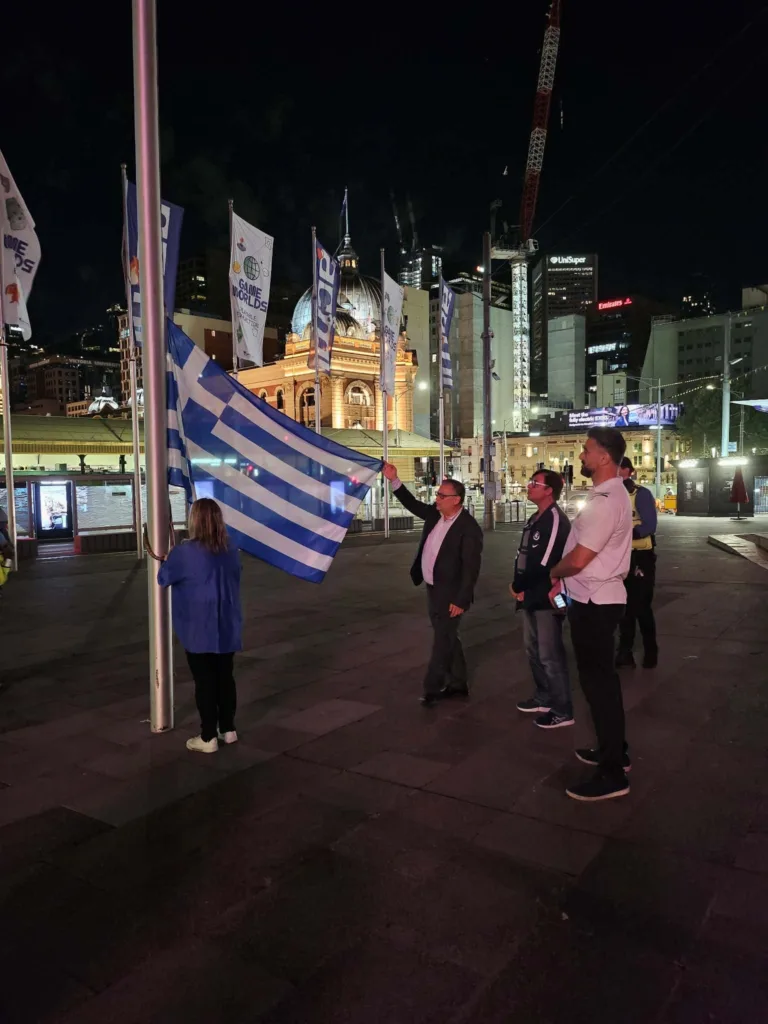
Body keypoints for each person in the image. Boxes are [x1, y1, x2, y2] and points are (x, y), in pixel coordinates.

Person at [548, 427, 633, 802]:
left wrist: (552, 573)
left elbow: (580, 558)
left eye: (586, 450)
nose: (581, 456)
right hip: (595, 598)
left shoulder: (604, 501)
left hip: (596, 603)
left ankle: (613, 772)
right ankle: (615, 752)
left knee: (599, 687)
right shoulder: (609, 496)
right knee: (602, 685)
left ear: (604, 457)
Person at [382, 462, 483, 706]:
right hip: (432, 587)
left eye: (441, 495)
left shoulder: (468, 528)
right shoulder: (436, 515)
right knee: (447, 636)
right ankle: (458, 682)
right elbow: (412, 504)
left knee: (442, 639)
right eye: (437, 494)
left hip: (450, 592)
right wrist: (394, 480)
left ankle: (432, 686)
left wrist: (461, 600)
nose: (436, 498)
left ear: (456, 500)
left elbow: (471, 568)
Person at [158, 497, 242, 753]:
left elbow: (164, 578)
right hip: (226, 623)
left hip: (198, 626)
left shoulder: (185, 552)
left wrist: (170, 557)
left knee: (204, 681)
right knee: (225, 677)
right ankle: (228, 729)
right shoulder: (230, 548)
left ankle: (208, 736)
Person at [511, 469, 573, 729]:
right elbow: (523, 556)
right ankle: (544, 696)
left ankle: (562, 709)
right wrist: (518, 584)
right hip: (529, 593)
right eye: (531, 482)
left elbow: (546, 562)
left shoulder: (555, 519)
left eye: (535, 483)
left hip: (548, 595)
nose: (530, 486)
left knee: (550, 653)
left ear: (550, 490)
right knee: (532, 648)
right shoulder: (535, 518)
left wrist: (519, 584)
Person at [616, 456, 658, 668]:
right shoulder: (610, 495)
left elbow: (650, 524)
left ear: (629, 471)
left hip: (640, 557)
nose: (616, 473)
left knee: (640, 607)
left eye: (620, 469)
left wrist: (625, 534)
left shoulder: (640, 494)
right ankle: (625, 652)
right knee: (623, 608)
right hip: (619, 557)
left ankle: (651, 651)